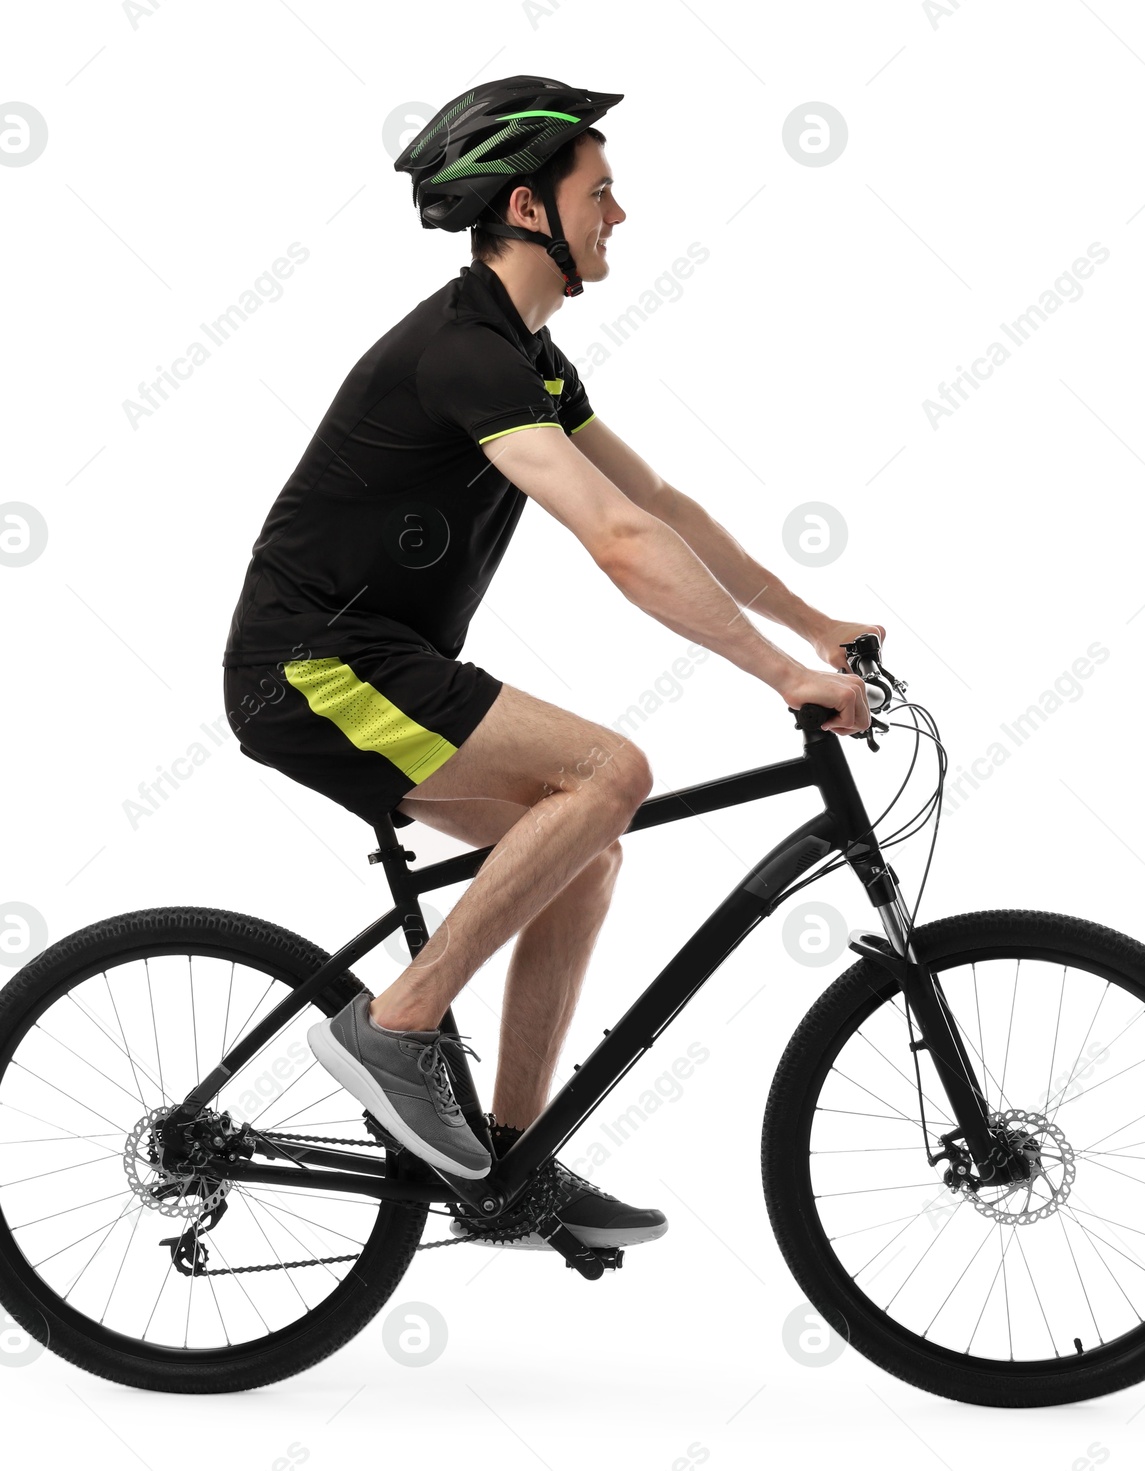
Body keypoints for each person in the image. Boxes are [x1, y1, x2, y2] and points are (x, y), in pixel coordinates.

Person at [221, 76, 878, 1250]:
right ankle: (395, 1024)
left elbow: (656, 501)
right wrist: (782, 677)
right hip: (315, 661)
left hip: (372, 662)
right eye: (601, 193)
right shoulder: (464, 353)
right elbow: (618, 543)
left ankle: (510, 1167)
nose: (618, 215)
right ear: (529, 208)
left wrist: (811, 619)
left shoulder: (527, 359)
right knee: (609, 770)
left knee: (582, 851)